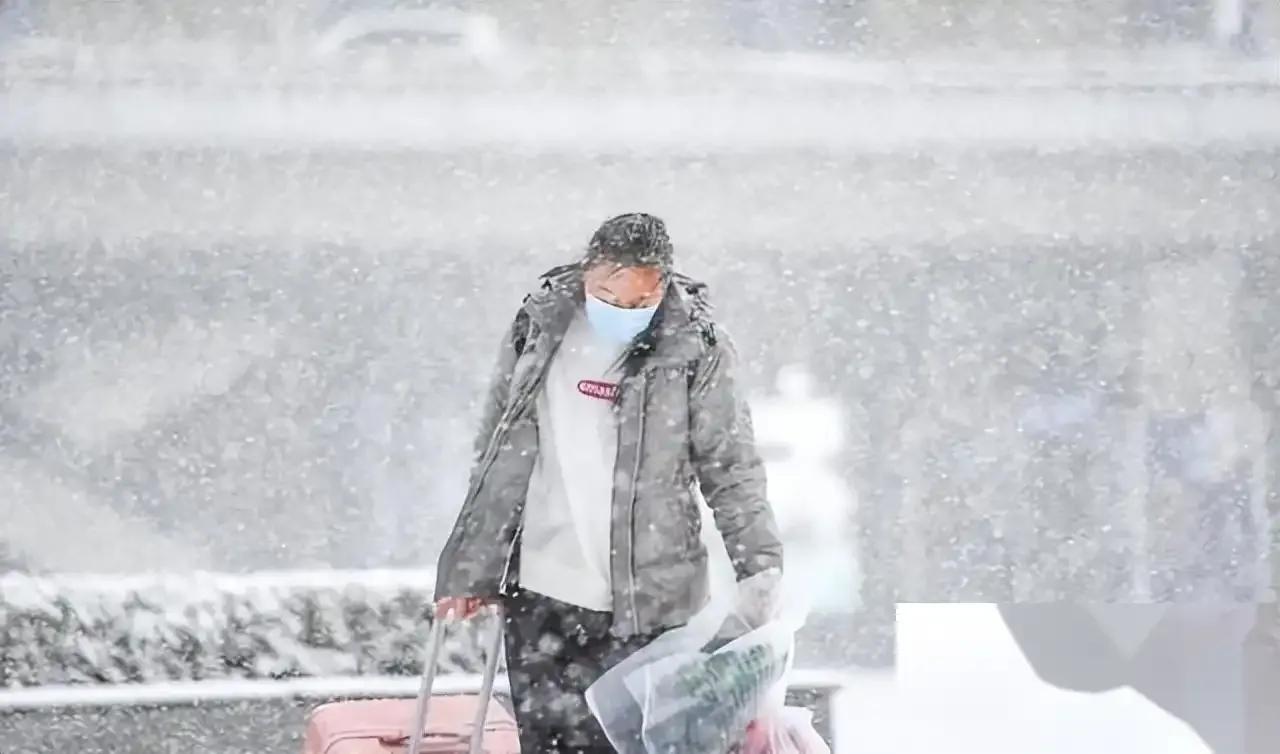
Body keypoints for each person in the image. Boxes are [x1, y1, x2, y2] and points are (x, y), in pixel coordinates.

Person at [433, 212, 785, 752]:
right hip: (544, 594)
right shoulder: (540, 326)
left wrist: (759, 569)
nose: (623, 313)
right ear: (588, 272)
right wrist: (471, 567)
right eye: (608, 296)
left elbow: (730, 467)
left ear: (663, 285)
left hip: (652, 601)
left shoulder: (695, 348)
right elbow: (498, 455)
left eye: (639, 304)